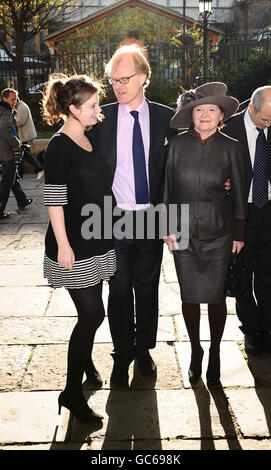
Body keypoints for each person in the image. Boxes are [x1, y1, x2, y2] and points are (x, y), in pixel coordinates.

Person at [88, 43, 176, 387]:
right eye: (113, 80)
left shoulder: (166, 118)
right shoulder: (101, 119)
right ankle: (121, 350)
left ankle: (143, 349)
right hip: (115, 216)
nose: (118, 86)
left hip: (152, 216)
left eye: (125, 78)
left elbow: (177, 169)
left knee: (148, 287)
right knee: (119, 287)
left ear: (143, 78)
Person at [42, 73, 117, 421]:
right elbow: (54, 200)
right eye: (91, 106)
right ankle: (71, 394)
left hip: (98, 236)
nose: (97, 111)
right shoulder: (59, 146)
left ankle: (85, 362)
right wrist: (64, 246)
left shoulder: (89, 137)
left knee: (90, 313)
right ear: (71, 109)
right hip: (73, 243)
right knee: (92, 315)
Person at [163, 82, 247, 385]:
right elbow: (166, 190)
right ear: (191, 115)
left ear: (221, 115)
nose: (205, 115)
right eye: (199, 110)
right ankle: (196, 349)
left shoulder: (231, 147)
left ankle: (214, 352)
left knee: (214, 297)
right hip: (183, 233)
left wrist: (239, 232)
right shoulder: (175, 145)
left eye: (212, 110)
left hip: (220, 233)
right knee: (189, 296)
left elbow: (239, 191)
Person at [223, 86, 271, 354]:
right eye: (264, 119)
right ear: (250, 108)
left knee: (267, 274)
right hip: (242, 213)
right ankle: (251, 329)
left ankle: (267, 327)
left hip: (269, 209)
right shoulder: (229, 130)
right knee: (242, 275)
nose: (268, 125)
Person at [0, 88, 32, 219]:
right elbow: (3, 128)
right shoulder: (6, 111)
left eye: (16, 99)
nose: (15, 102)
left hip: (2, 150)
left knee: (12, 177)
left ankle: (22, 200)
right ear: (4, 98)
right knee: (7, 182)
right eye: (12, 99)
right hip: (7, 151)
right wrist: (16, 143)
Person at [14, 98, 44, 177]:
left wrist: (11, 120)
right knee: (22, 154)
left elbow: (20, 121)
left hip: (24, 135)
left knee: (24, 154)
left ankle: (39, 167)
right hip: (24, 134)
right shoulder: (20, 106)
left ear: (16, 101)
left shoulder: (22, 107)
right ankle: (21, 172)